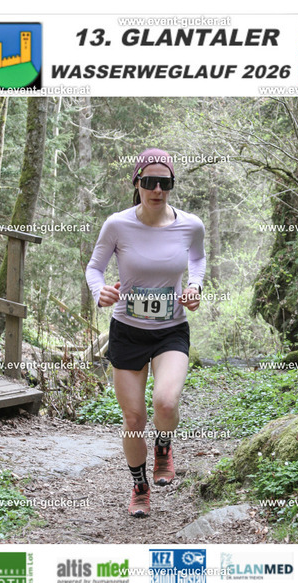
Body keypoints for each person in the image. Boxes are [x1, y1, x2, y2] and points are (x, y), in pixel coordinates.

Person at [86, 148, 206, 517]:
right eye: (150, 182)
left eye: (165, 183)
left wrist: (195, 287)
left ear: (172, 185)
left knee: (166, 403)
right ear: (137, 183)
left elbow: (197, 258)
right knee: (135, 419)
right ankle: (140, 486)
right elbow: (94, 268)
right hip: (127, 331)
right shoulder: (117, 225)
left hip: (171, 331)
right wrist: (100, 291)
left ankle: (164, 447)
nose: (157, 190)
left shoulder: (191, 225)